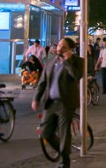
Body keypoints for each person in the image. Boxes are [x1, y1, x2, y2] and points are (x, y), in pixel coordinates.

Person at [33, 38, 84, 168]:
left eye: (64, 47)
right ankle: (62, 151)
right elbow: (43, 82)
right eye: (59, 45)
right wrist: (36, 98)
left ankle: (64, 162)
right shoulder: (51, 61)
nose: (60, 48)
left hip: (65, 103)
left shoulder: (78, 61)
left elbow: (76, 76)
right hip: (50, 102)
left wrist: (68, 61)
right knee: (46, 132)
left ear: (70, 50)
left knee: (64, 133)